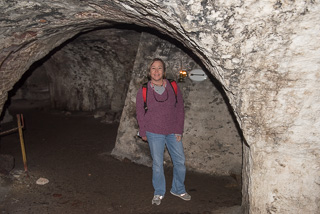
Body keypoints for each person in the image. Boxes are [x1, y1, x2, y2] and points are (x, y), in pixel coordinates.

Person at [136, 58, 191, 205]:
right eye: (153, 68)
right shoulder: (144, 89)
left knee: (180, 161)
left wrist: (179, 130)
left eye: (159, 68)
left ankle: (178, 188)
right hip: (154, 132)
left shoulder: (173, 86)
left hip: (173, 131)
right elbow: (140, 112)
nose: (156, 71)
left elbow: (180, 109)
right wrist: (143, 131)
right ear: (149, 71)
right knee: (158, 164)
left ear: (164, 71)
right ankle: (159, 192)